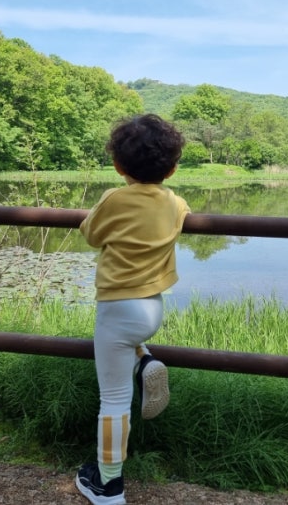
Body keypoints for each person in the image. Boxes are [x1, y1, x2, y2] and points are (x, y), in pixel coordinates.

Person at [75, 114, 190, 505]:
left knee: (114, 400)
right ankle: (144, 362)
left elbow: (91, 235)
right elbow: (181, 218)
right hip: (151, 311)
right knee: (129, 347)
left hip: (116, 309)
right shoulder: (175, 203)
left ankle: (108, 484)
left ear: (118, 165)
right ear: (173, 168)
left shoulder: (113, 198)